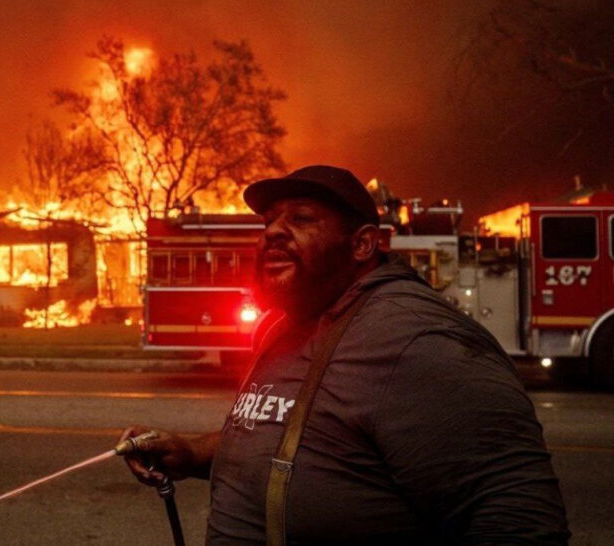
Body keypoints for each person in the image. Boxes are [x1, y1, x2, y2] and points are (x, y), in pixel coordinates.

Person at [120, 165, 569, 544]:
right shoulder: (285, 326)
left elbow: (521, 520)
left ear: (362, 244)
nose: (274, 231)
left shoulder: (416, 339)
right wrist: (194, 452)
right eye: (269, 221)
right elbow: (297, 434)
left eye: (300, 218)